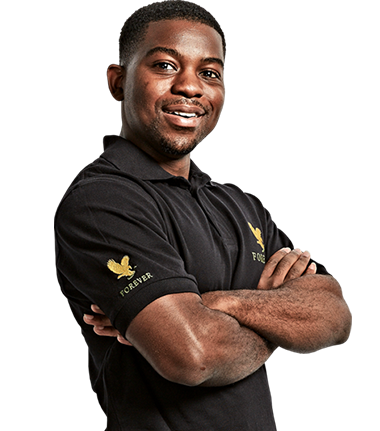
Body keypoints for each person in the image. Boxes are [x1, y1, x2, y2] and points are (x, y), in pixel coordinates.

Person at [54, 1, 351, 430]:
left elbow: (334, 315)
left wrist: (219, 303)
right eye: (165, 66)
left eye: (209, 73)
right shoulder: (101, 202)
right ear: (118, 82)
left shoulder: (239, 205)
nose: (191, 87)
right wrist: (280, 318)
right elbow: (193, 357)